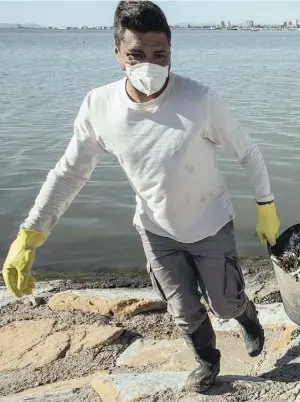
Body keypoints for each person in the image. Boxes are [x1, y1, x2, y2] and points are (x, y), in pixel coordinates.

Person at [1, 0, 280, 393]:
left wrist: (265, 205)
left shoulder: (200, 100)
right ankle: (207, 360)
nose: (149, 63)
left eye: (159, 54)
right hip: (156, 229)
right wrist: (30, 234)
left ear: (170, 53)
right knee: (182, 310)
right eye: (136, 54)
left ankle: (245, 314)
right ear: (117, 53)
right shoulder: (99, 106)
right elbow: (69, 174)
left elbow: (248, 152)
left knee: (224, 302)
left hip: (210, 222)